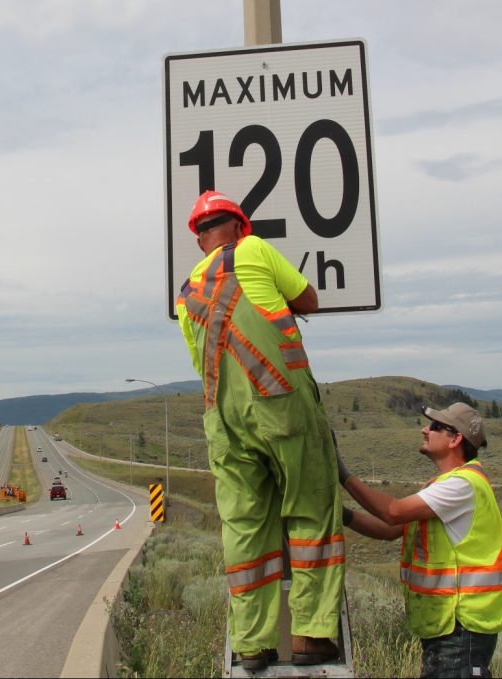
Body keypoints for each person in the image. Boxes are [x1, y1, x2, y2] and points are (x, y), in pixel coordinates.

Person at [175, 190, 344, 670]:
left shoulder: (186, 294)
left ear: (200, 238)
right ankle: (311, 635)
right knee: (311, 510)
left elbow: (201, 366)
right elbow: (308, 298)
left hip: (224, 424)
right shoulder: (254, 249)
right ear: (238, 225)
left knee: (245, 531)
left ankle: (252, 645)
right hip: (282, 407)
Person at [338, 403, 502, 678]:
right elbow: (389, 530)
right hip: (447, 627)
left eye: (434, 426)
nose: (424, 429)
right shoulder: (444, 485)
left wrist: (342, 474)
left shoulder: (462, 485)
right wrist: (340, 514)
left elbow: (392, 512)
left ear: (455, 439)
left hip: (461, 627)